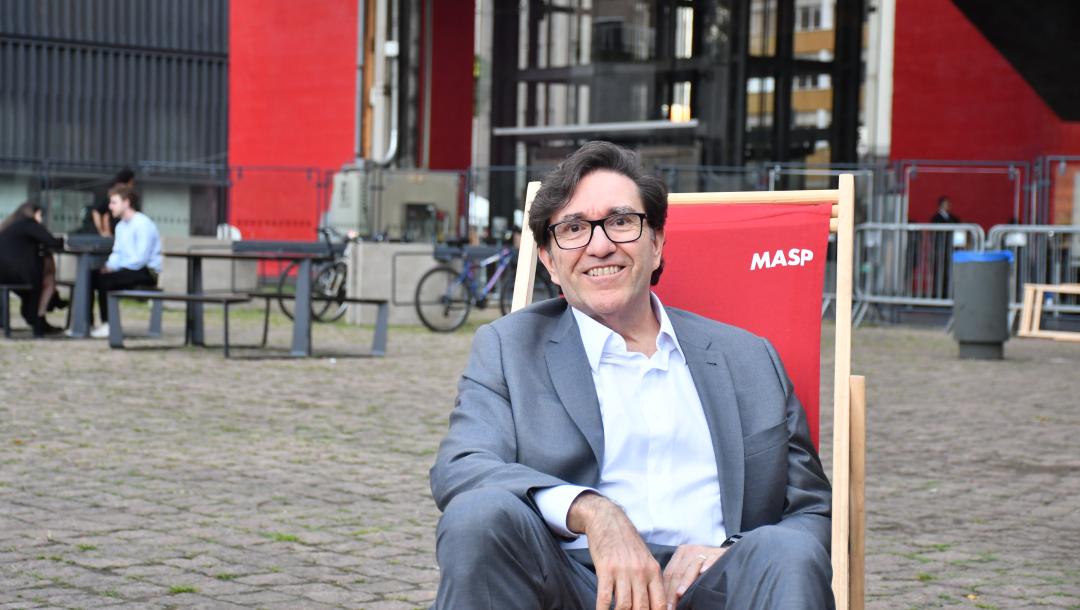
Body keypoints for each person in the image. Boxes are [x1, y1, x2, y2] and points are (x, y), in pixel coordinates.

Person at [429, 141, 833, 609]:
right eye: (573, 228)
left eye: (621, 221)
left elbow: (810, 512)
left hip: (717, 586)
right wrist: (592, 511)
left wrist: (729, 553)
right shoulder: (510, 348)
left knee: (790, 551)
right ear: (549, 261)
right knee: (478, 515)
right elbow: (463, 466)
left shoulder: (748, 358)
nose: (600, 246)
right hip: (574, 585)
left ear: (656, 243)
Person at [88, 184, 162, 338]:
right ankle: (86, 323)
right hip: (128, 269)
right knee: (90, 276)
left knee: (106, 280)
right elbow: (117, 253)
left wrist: (115, 268)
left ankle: (109, 324)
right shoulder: (121, 226)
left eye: (114, 202)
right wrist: (109, 266)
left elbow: (140, 259)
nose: (110, 206)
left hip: (146, 271)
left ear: (126, 202)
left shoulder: (143, 224)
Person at [0, 202, 66, 337]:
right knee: (49, 280)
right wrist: (65, 241)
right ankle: (40, 318)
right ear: (34, 213)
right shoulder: (29, 224)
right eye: (40, 215)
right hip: (19, 275)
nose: (41, 219)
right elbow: (52, 242)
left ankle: (44, 310)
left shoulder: (10, 226)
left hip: (3, 275)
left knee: (45, 267)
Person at [78, 167, 136, 236]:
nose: (132, 186)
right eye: (131, 183)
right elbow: (101, 214)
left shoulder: (127, 224)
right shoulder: (113, 194)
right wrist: (104, 232)